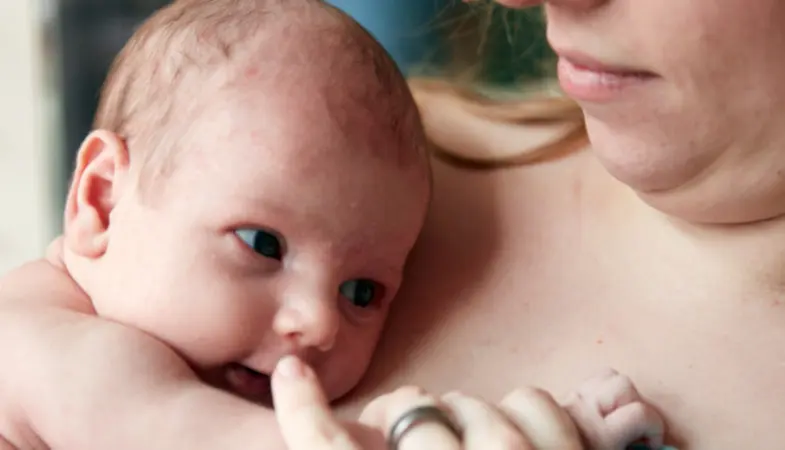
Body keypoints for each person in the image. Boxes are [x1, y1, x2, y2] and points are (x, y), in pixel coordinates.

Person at [0, 0, 662, 449]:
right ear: (102, 199)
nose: (318, 325)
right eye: (263, 244)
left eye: (361, 293)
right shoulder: (44, 344)